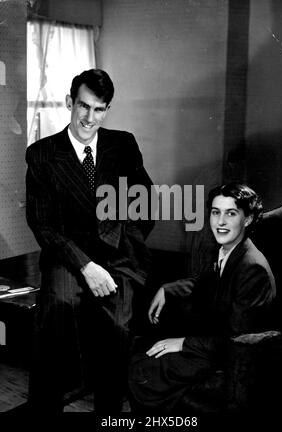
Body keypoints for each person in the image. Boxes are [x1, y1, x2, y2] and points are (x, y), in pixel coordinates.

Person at [25, 69, 155, 415]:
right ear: (70, 102)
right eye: (83, 107)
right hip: (67, 256)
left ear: (107, 110)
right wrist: (85, 265)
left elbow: (146, 202)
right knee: (57, 314)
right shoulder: (41, 155)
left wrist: (126, 246)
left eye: (99, 109)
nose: (89, 118)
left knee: (118, 331)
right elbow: (43, 226)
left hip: (116, 256)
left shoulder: (123, 144)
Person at [129, 183, 276, 413]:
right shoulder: (227, 250)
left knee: (145, 369)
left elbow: (235, 340)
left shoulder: (252, 269)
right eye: (216, 212)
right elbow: (204, 281)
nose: (220, 222)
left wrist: (183, 343)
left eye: (231, 213)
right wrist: (168, 288)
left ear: (247, 220)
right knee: (141, 355)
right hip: (213, 342)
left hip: (232, 356)